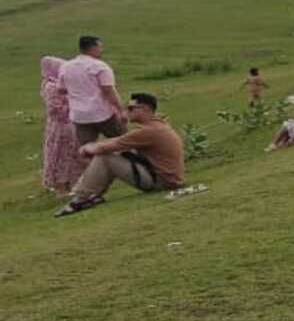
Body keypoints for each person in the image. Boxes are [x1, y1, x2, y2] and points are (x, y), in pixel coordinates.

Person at [54, 94, 185, 216]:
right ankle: (93, 195)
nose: (127, 112)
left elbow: (111, 145)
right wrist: (94, 147)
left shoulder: (148, 131)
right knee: (112, 154)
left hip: (162, 182)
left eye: (131, 108)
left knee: (105, 157)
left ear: (145, 109)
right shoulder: (156, 126)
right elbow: (120, 141)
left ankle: (80, 199)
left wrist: (88, 148)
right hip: (165, 178)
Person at [58, 35, 125, 145]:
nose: (101, 50)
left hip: (79, 116)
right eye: (100, 47)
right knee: (124, 142)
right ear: (93, 48)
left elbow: (61, 89)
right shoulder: (100, 66)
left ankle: (93, 162)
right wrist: (121, 110)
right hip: (101, 113)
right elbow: (108, 91)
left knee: (87, 150)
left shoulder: (66, 66)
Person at [39, 57, 87, 193]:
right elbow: (55, 109)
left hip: (71, 124)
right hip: (60, 127)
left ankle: (74, 185)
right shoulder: (51, 86)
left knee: (73, 154)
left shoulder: (63, 84)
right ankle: (61, 188)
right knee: (61, 154)